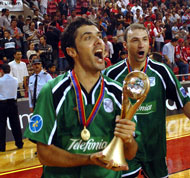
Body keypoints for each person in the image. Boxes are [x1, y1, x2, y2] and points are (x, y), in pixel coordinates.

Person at [24, 17, 137, 178]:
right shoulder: (52, 91)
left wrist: (128, 140)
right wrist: (88, 159)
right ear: (72, 51)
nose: (99, 41)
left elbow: (130, 153)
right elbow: (44, 154)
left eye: (99, 36)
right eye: (88, 38)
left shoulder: (119, 92)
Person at [104, 23, 190, 178]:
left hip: (155, 148)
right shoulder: (111, 74)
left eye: (145, 39)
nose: (141, 44)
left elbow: (182, 98)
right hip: (124, 149)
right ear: (125, 45)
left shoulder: (161, 71)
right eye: (135, 40)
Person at [0, 64, 24, 152]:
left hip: (2, 104)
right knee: (15, 124)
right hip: (13, 103)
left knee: (1, 125)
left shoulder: (0, 80)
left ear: (1, 70)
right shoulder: (15, 80)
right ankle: (19, 143)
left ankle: (1, 146)